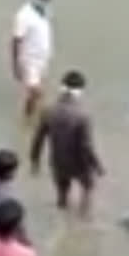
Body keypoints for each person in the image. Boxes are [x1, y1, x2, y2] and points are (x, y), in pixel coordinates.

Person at [30, 70, 104, 217]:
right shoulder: (82, 116)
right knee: (88, 190)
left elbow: (38, 139)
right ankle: (83, 221)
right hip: (79, 163)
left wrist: (35, 161)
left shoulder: (48, 111)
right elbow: (86, 146)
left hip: (58, 161)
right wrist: (97, 165)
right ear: (81, 91)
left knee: (62, 196)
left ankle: (62, 220)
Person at [12, 0, 54, 119]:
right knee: (36, 92)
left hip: (43, 57)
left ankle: (33, 114)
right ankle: (28, 118)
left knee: (37, 92)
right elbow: (16, 40)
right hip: (29, 59)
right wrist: (15, 65)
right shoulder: (23, 15)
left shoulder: (45, 11)